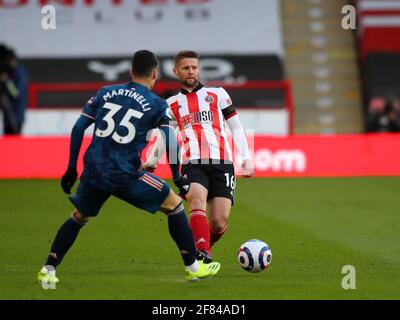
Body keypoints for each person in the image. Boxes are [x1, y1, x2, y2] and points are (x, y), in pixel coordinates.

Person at [36, 50, 221, 286]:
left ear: (131, 71)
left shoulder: (106, 92)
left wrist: (71, 168)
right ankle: (193, 268)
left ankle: (49, 268)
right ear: (155, 74)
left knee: (79, 217)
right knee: (174, 205)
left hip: (93, 171)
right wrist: (177, 176)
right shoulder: (155, 103)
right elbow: (170, 139)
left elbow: (78, 128)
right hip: (125, 174)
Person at [144, 50, 253, 263]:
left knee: (219, 222)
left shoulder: (218, 94)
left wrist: (246, 158)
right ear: (176, 71)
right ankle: (203, 255)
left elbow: (236, 127)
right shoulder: (171, 103)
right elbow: (165, 135)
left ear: (199, 69)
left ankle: (202, 246)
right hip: (192, 162)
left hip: (222, 162)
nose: (191, 71)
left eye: (194, 67)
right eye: (186, 68)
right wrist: (151, 160)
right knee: (196, 201)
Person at [0, 45, 28, 135]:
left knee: (14, 142)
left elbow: (15, 93)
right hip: (7, 116)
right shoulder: (9, 72)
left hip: (16, 116)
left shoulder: (20, 73)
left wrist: (7, 81)